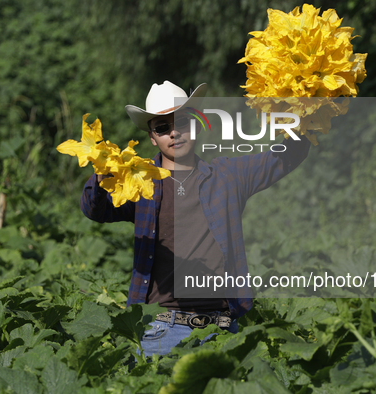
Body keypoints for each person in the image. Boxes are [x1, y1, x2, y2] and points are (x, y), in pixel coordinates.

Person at [81, 81, 310, 356]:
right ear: (153, 137)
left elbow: (286, 156)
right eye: (163, 127)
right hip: (160, 330)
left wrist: (303, 108)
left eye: (183, 122)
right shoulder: (139, 181)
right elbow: (96, 210)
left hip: (223, 329)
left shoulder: (228, 176)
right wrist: (101, 174)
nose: (175, 132)